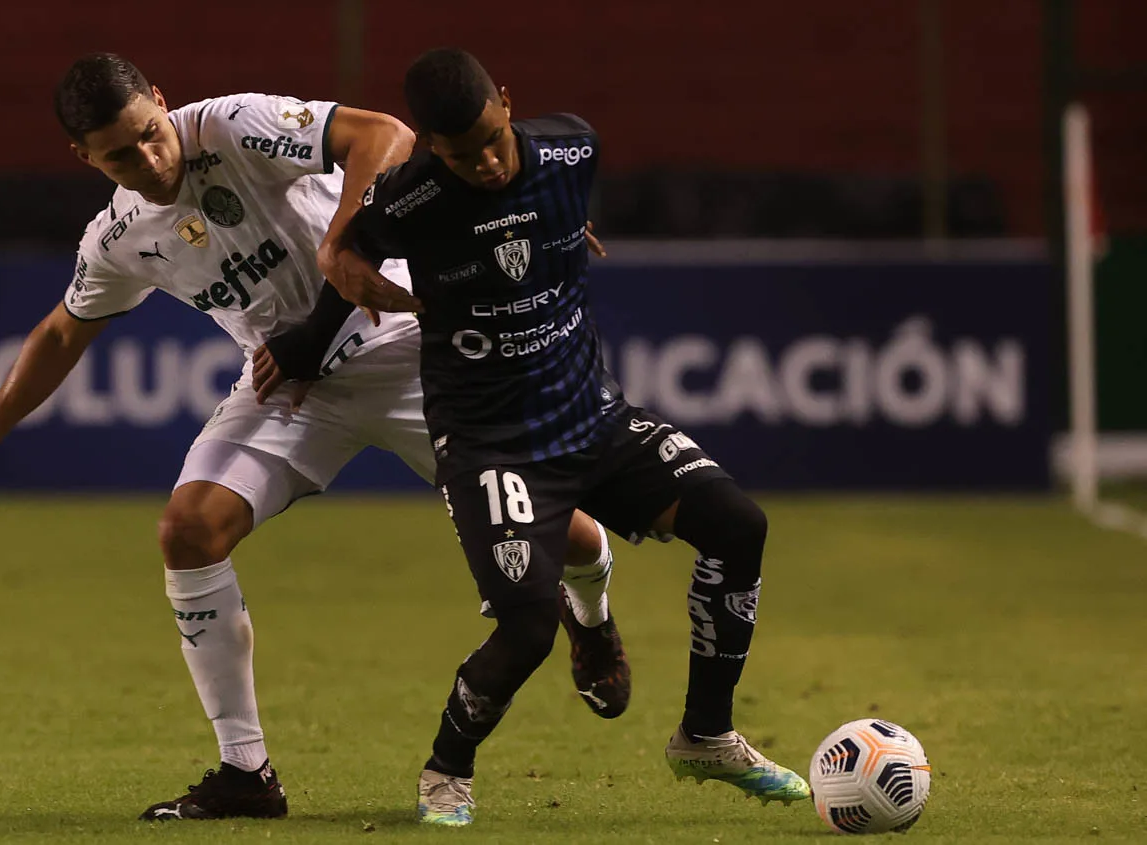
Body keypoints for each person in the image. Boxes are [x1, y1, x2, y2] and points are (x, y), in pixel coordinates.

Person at [0, 52, 628, 822]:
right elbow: (63, 333)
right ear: (85, 159)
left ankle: (593, 617)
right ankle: (246, 773)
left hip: (407, 350)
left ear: (161, 102)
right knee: (189, 530)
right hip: (292, 387)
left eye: (149, 132)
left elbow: (385, 135)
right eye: (120, 154)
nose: (150, 157)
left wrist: (341, 247)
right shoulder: (119, 236)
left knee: (560, 534)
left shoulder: (233, 125)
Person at [261, 48, 810, 826]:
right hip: (489, 442)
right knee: (525, 627)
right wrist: (316, 319)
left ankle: (707, 735)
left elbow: (548, 211)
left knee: (738, 525)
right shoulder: (411, 198)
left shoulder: (572, 146)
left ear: (508, 102)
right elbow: (344, 250)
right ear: (430, 148)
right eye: (459, 153)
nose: (483, 161)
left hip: (592, 415)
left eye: (491, 137)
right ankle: (446, 771)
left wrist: (561, 230)